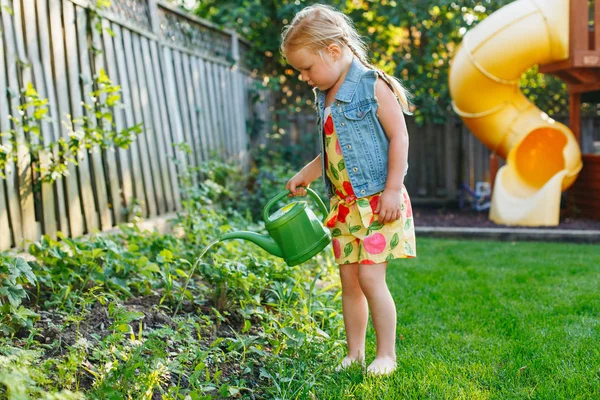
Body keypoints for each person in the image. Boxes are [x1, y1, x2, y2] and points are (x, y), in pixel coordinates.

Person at [280, 4, 417, 376]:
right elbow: (334, 148)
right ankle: (354, 352)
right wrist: (307, 173)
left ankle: (386, 354)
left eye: (307, 68)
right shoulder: (324, 96)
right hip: (343, 206)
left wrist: (393, 189)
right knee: (350, 282)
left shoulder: (372, 85)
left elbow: (398, 137)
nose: (305, 77)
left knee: (372, 278)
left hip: (378, 202)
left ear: (334, 51)